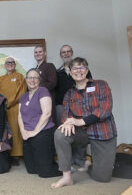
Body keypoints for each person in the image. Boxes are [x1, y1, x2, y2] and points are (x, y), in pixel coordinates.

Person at [51, 57, 117, 189]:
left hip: (102, 133)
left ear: (86, 70)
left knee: (103, 178)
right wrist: (67, 122)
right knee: (60, 133)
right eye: (74, 68)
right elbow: (66, 116)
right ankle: (66, 177)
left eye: (81, 67)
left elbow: (105, 111)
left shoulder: (101, 85)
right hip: (82, 133)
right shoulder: (69, 94)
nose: (78, 71)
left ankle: (89, 165)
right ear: (70, 73)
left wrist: (79, 121)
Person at [18, 68, 61, 178]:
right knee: (31, 170)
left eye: (35, 77)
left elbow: (46, 113)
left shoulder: (42, 91)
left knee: (44, 172)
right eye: (29, 77)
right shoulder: (23, 96)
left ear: (39, 80)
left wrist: (34, 131)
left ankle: (64, 168)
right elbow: (19, 116)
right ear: (26, 79)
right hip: (27, 134)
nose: (32, 80)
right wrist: (23, 131)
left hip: (43, 131)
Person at [0, 57, 26, 165]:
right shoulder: (0, 79)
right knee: (4, 130)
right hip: (2, 108)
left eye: (12, 62)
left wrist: (9, 103)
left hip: (15, 107)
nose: (10, 64)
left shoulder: (20, 77)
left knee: (16, 130)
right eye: (8, 63)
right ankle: (6, 152)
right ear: (4, 65)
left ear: (15, 65)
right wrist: (1, 104)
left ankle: (16, 155)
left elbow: (21, 92)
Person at [55, 45, 92, 126]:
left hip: (80, 103)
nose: (66, 54)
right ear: (61, 55)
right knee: (63, 130)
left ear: (72, 53)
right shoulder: (57, 72)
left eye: (68, 51)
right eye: (63, 52)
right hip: (62, 105)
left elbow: (90, 84)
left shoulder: (82, 70)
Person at [34, 46, 57, 123]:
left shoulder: (49, 66)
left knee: (48, 122)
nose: (38, 54)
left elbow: (53, 83)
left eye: (40, 51)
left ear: (45, 53)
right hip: (36, 101)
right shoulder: (34, 69)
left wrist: (36, 87)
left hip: (47, 99)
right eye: (36, 52)